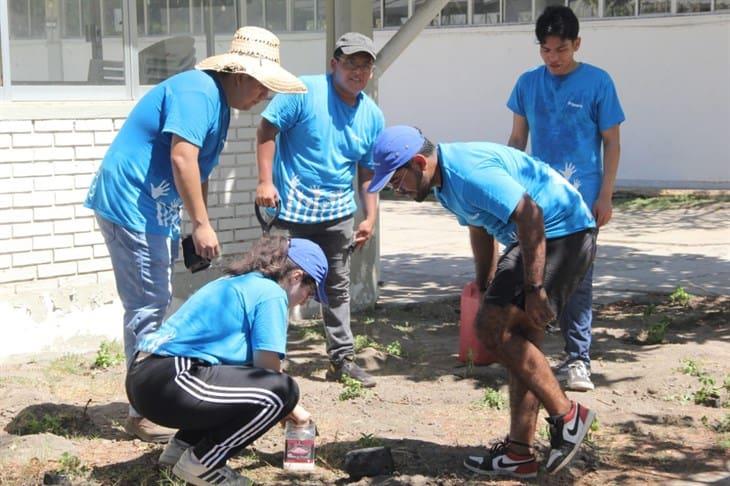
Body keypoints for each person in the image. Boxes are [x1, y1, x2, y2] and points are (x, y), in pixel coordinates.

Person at [84, 26, 306, 442]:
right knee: (147, 304)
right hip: (132, 204)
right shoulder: (198, 92)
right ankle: (141, 409)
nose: (264, 98)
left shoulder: (219, 105)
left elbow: (198, 171)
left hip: (155, 209)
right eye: (262, 88)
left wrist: (193, 221)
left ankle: (145, 395)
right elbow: (182, 156)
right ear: (240, 74)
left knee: (155, 297)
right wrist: (201, 223)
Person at [368, 126, 598, 479]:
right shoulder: (444, 184)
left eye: (397, 180)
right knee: (519, 343)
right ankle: (520, 453)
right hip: (539, 238)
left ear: (418, 162)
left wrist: (535, 288)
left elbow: (530, 214)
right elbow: (480, 225)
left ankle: (568, 417)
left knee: (491, 330)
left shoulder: (467, 173)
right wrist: (484, 280)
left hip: (560, 233)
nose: (396, 190)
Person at [126, 236, 327, 486]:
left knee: (238, 381)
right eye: (311, 291)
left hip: (145, 379)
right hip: (172, 379)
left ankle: (180, 451)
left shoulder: (238, 281)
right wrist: (295, 411)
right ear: (296, 276)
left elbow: (244, 374)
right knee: (283, 391)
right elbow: (268, 373)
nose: (307, 299)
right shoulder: (272, 293)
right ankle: (202, 464)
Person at [255, 32, 384, 388]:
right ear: (334, 64)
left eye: (365, 65)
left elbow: (367, 170)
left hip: (338, 215)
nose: (357, 71)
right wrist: (266, 182)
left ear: (371, 71)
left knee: (336, 286)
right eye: (350, 63)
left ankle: (341, 359)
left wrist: (369, 215)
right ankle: (267, 362)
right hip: (289, 212)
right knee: (275, 284)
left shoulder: (372, 115)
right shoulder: (303, 92)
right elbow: (266, 129)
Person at [507, 6, 625, 391]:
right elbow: (517, 141)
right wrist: (509, 186)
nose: (553, 58)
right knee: (530, 275)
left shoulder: (598, 83)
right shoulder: (527, 84)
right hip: (537, 201)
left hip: (582, 201)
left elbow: (612, 143)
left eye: (561, 49)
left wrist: (605, 195)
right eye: (545, 50)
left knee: (578, 281)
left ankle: (578, 360)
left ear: (577, 44)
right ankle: (528, 353)